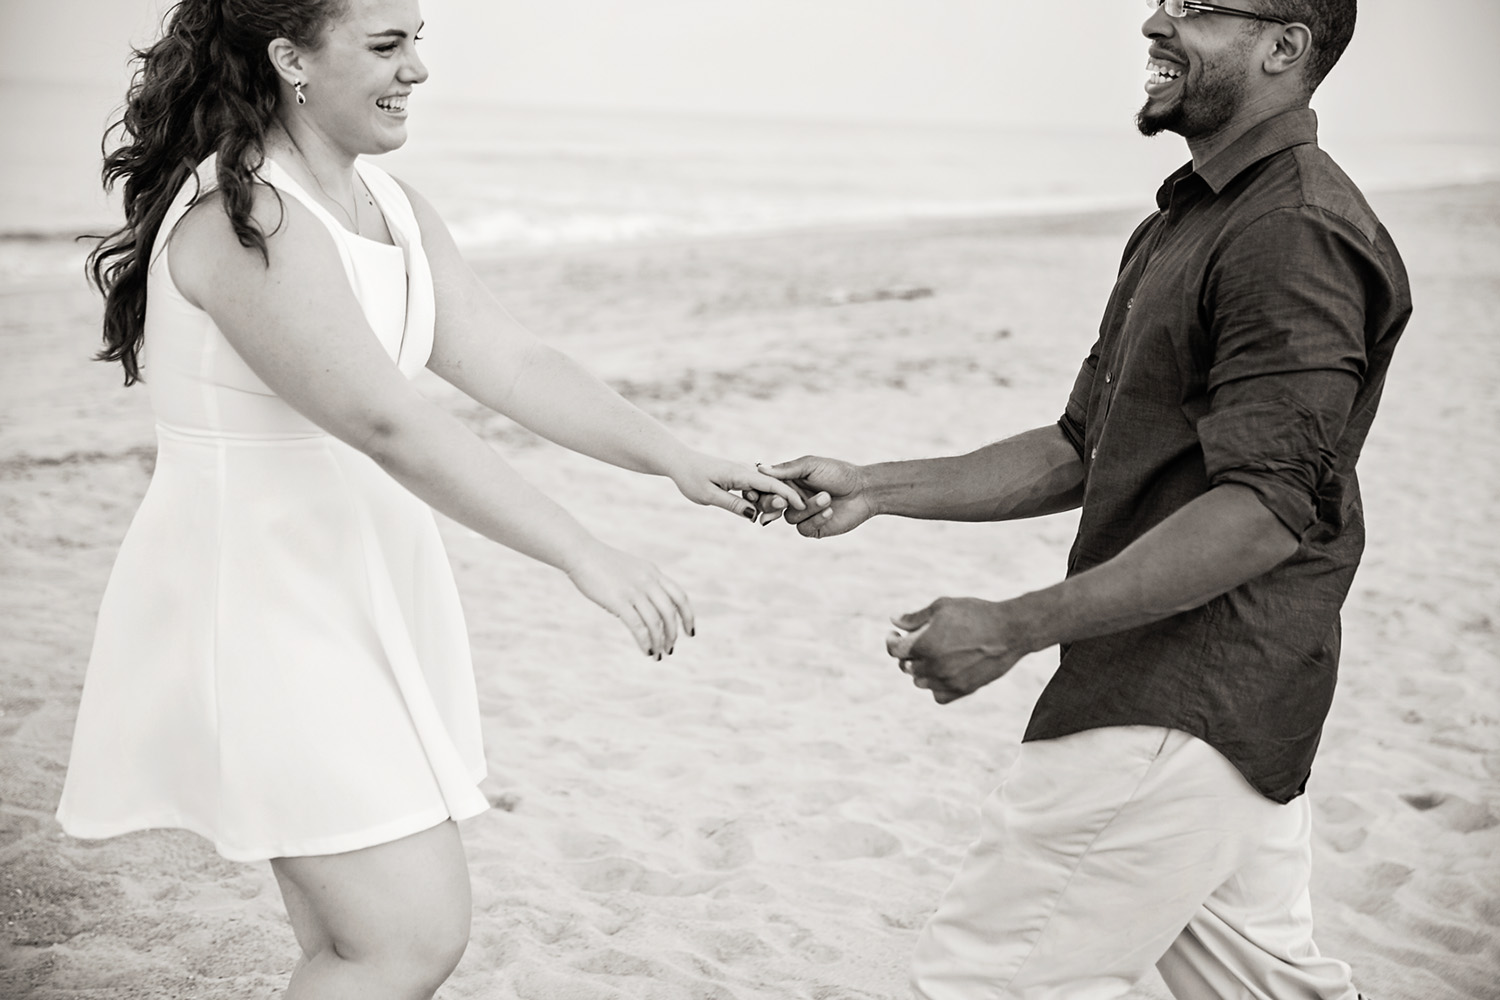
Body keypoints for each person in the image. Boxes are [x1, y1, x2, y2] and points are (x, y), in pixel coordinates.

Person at [54, 1, 804, 997]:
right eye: (384, 44)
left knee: (358, 945)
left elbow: (511, 359)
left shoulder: (393, 209)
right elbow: (387, 423)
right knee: (406, 935)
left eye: (418, 40)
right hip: (257, 607)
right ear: (291, 60)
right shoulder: (247, 221)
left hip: (349, 594)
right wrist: (587, 553)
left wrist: (677, 458)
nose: (416, 69)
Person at [749, 0, 1407, 996]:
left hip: (1177, 700)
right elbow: (1082, 446)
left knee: (983, 978)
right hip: (1227, 708)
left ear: (1284, 46)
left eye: (1198, 7)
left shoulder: (1294, 232)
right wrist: (875, 486)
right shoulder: (1190, 217)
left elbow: (1267, 509)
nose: (1155, 20)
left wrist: (1017, 624)